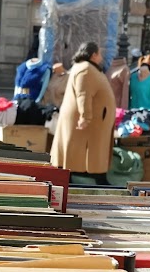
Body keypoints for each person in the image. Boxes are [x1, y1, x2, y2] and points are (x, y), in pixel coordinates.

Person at [50, 42, 117, 184]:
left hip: (92, 122)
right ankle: (94, 179)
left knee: (78, 151)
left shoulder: (86, 68)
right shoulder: (86, 69)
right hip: (86, 122)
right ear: (93, 55)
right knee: (79, 151)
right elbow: (83, 94)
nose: (101, 57)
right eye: (99, 53)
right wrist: (85, 117)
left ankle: (89, 178)